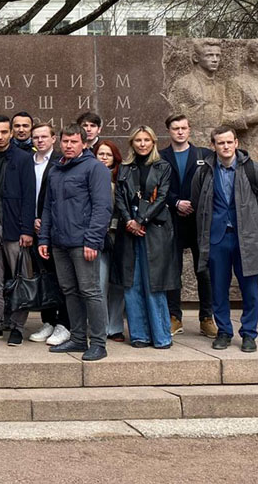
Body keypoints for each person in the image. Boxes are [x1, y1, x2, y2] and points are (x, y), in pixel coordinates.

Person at [191, 126, 258, 352]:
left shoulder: (254, 169)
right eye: (221, 143)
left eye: (229, 142)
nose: (226, 147)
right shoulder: (204, 172)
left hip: (246, 238)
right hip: (218, 238)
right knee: (218, 288)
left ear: (236, 143)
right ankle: (224, 331)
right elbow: (198, 201)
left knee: (250, 288)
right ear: (213, 145)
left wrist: (257, 227)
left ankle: (249, 333)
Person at [38, 125, 112, 362]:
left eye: (73, 141)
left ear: (83, 143)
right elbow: (48, 207)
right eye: (65, 141)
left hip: (83, 243)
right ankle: (78, 338)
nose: (69, 145)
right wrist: (44, 239)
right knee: (69, 291)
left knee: (91, 291)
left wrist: (93, 240)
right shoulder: (56, 170)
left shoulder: (95, 169)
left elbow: (102, 208)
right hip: (59, 243)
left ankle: (99, 343)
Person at [114, 126, 178, 349]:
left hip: (155, 230)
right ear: (132, 143)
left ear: (153, 142)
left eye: (146, 140)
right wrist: (129, 221)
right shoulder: (125, 168)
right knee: (132, 284)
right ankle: (139, 335)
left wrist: (141, 220)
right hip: (130, 231)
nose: (142, 144)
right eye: (138, 140)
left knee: (154, 283)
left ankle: (161, 336)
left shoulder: (163, 167)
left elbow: (162, 197)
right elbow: (120, 197)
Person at [159, 113, 216, 338]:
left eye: (183, 127)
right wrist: (175, 202)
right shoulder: (161, 157)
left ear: (189, 130)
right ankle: (174, 317)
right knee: (173, 272)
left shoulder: (205, 155)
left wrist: (196, 203)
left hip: (199, 222)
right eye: (175, 128)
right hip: (171, 221)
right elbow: (157, 187)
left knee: (204, 272)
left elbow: (212, 186)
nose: (180, 132)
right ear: (169, 131)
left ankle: (206, 317)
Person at [0, 115, 33, 344]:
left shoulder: (23, 158)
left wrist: (27, 230)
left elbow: (30, 197)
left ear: (10, 132)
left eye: (3, 132)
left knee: (21, 277)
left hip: (16, 228)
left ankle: (18, 326)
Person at [28, 123, 71, 345]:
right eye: (35, 137)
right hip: (34, 229)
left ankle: (64, 323)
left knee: (61, 278)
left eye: (44, 136)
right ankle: (48, 321)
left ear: (54, 138)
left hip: (56, 229)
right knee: (43, 278)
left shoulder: (60, 163)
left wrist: (45, 221)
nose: (40, 140)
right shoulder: (27, 162)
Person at [93, 140, 126, 342]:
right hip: (99, 238)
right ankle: (100, 327)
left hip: (119, 237)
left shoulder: (121, 178)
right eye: (101, 154)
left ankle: (115, 327)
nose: (104, 157)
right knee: (99, 283)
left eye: (108, 154)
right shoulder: (91, 177)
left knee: (117, 285)